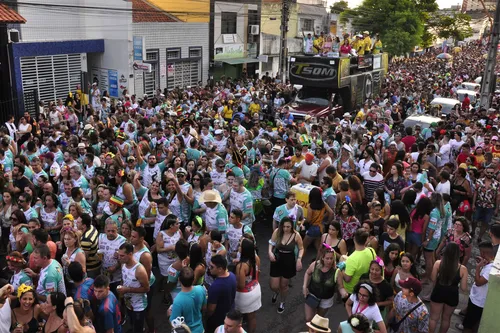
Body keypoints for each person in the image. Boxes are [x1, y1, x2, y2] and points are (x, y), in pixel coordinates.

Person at [429, 243, 468, 333]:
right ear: (458, 254)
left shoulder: (438, 263)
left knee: (433, 318)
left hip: (438, 291)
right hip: (452, 294)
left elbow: (432, 278)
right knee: (446, 319)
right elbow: (463, 288)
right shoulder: (463, 269)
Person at [457, 241, 495, 333]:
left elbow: (478, 282)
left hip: (478, 302)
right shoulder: (489, 264)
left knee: (469, 326)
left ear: (483, 253)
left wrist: (478, 268)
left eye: (481, 252)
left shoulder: (490, 268)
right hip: (475, 298)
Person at [269, 217, 304, 314]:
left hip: (289, 260)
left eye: (288, 227)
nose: (285, 229)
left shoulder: (296, 235)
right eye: (284, 226)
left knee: (284, 285)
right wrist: (270, 252)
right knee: (274, 285)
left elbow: (301, 248)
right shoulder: (277, 232)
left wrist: (299, 259)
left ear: (292, 226)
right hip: (277, 259)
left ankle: (282, 302)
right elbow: (271, 243)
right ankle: (276, 292)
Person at [116, 242, 150, 333]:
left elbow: (147, 289)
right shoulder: (123, 264)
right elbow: (123, 280)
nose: (119, 258)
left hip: (138, 306)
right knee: (132, 322)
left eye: (122, 256)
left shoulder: (139, 270)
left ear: (130, 254)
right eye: (119, 255)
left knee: (138, 327)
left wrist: (128, 289)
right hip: (128, 303)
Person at [337, 229, 375, 299]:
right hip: (366, 285)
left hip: (352, 290)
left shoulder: (352, 259)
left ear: (354, 239)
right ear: (366, 240)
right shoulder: (371, 250)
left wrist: (341, 267)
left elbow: (347, 279)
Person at [302, 244, 337, 322]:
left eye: (331, 258)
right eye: (327, 258)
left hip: (326, 300)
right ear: (323, 258)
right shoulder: (315, 265)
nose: (329, 261)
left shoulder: (336, 271)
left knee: (317, 321)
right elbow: (307, 273)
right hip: (312, 295)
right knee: (308, 318)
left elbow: (340, 286)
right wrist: (304, 286)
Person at [234, 238, 261, 333]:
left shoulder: (241, 266)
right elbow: (258, 273)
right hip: (255, 288)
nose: (239, 246)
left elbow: (241, 285)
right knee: (252, 317)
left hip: (244, 295)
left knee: (236, 319)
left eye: (240, 245)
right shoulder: (256, 258)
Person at [169, 267, 206, 333]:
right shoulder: (201, 289)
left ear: (179, 280)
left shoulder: (178, 301)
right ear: (194, 279)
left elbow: (175, 324)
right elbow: (204, 308)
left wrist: (169, 314)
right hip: (200, 329)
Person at [206, 254, 237, 333]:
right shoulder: (232, 275)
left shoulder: (215, 286)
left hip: (217, 319)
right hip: (229, 313)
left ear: (220, 269)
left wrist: (206, 316)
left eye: (212, 267)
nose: (209, 268)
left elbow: (211, 309)